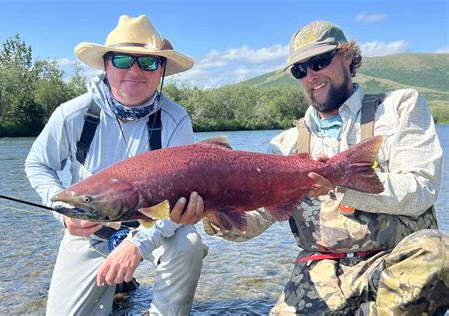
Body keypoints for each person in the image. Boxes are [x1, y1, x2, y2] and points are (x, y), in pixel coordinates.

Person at [191, 21, 449, 314]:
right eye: (300, 70)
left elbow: (423, 190)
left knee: (440, 252)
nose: (311, 75)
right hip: (321, 271)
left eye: (319, 62)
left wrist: (340, 184)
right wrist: (211, 210)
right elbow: (253, 223)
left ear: (348, 56)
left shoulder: (400, 107)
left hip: (395, 263)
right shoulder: (285, 145)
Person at [25, 15, 208, 315]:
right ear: (106, 64)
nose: (135, 71)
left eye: (148, 63)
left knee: (188, 241)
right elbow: (38, 165)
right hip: (90, 234)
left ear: (161, 70)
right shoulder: (72, 115)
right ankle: (117, 286)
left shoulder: (176, 120)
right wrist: (64, 215)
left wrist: (137, 245)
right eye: (123, 60)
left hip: (155, 229)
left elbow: (179, 203)